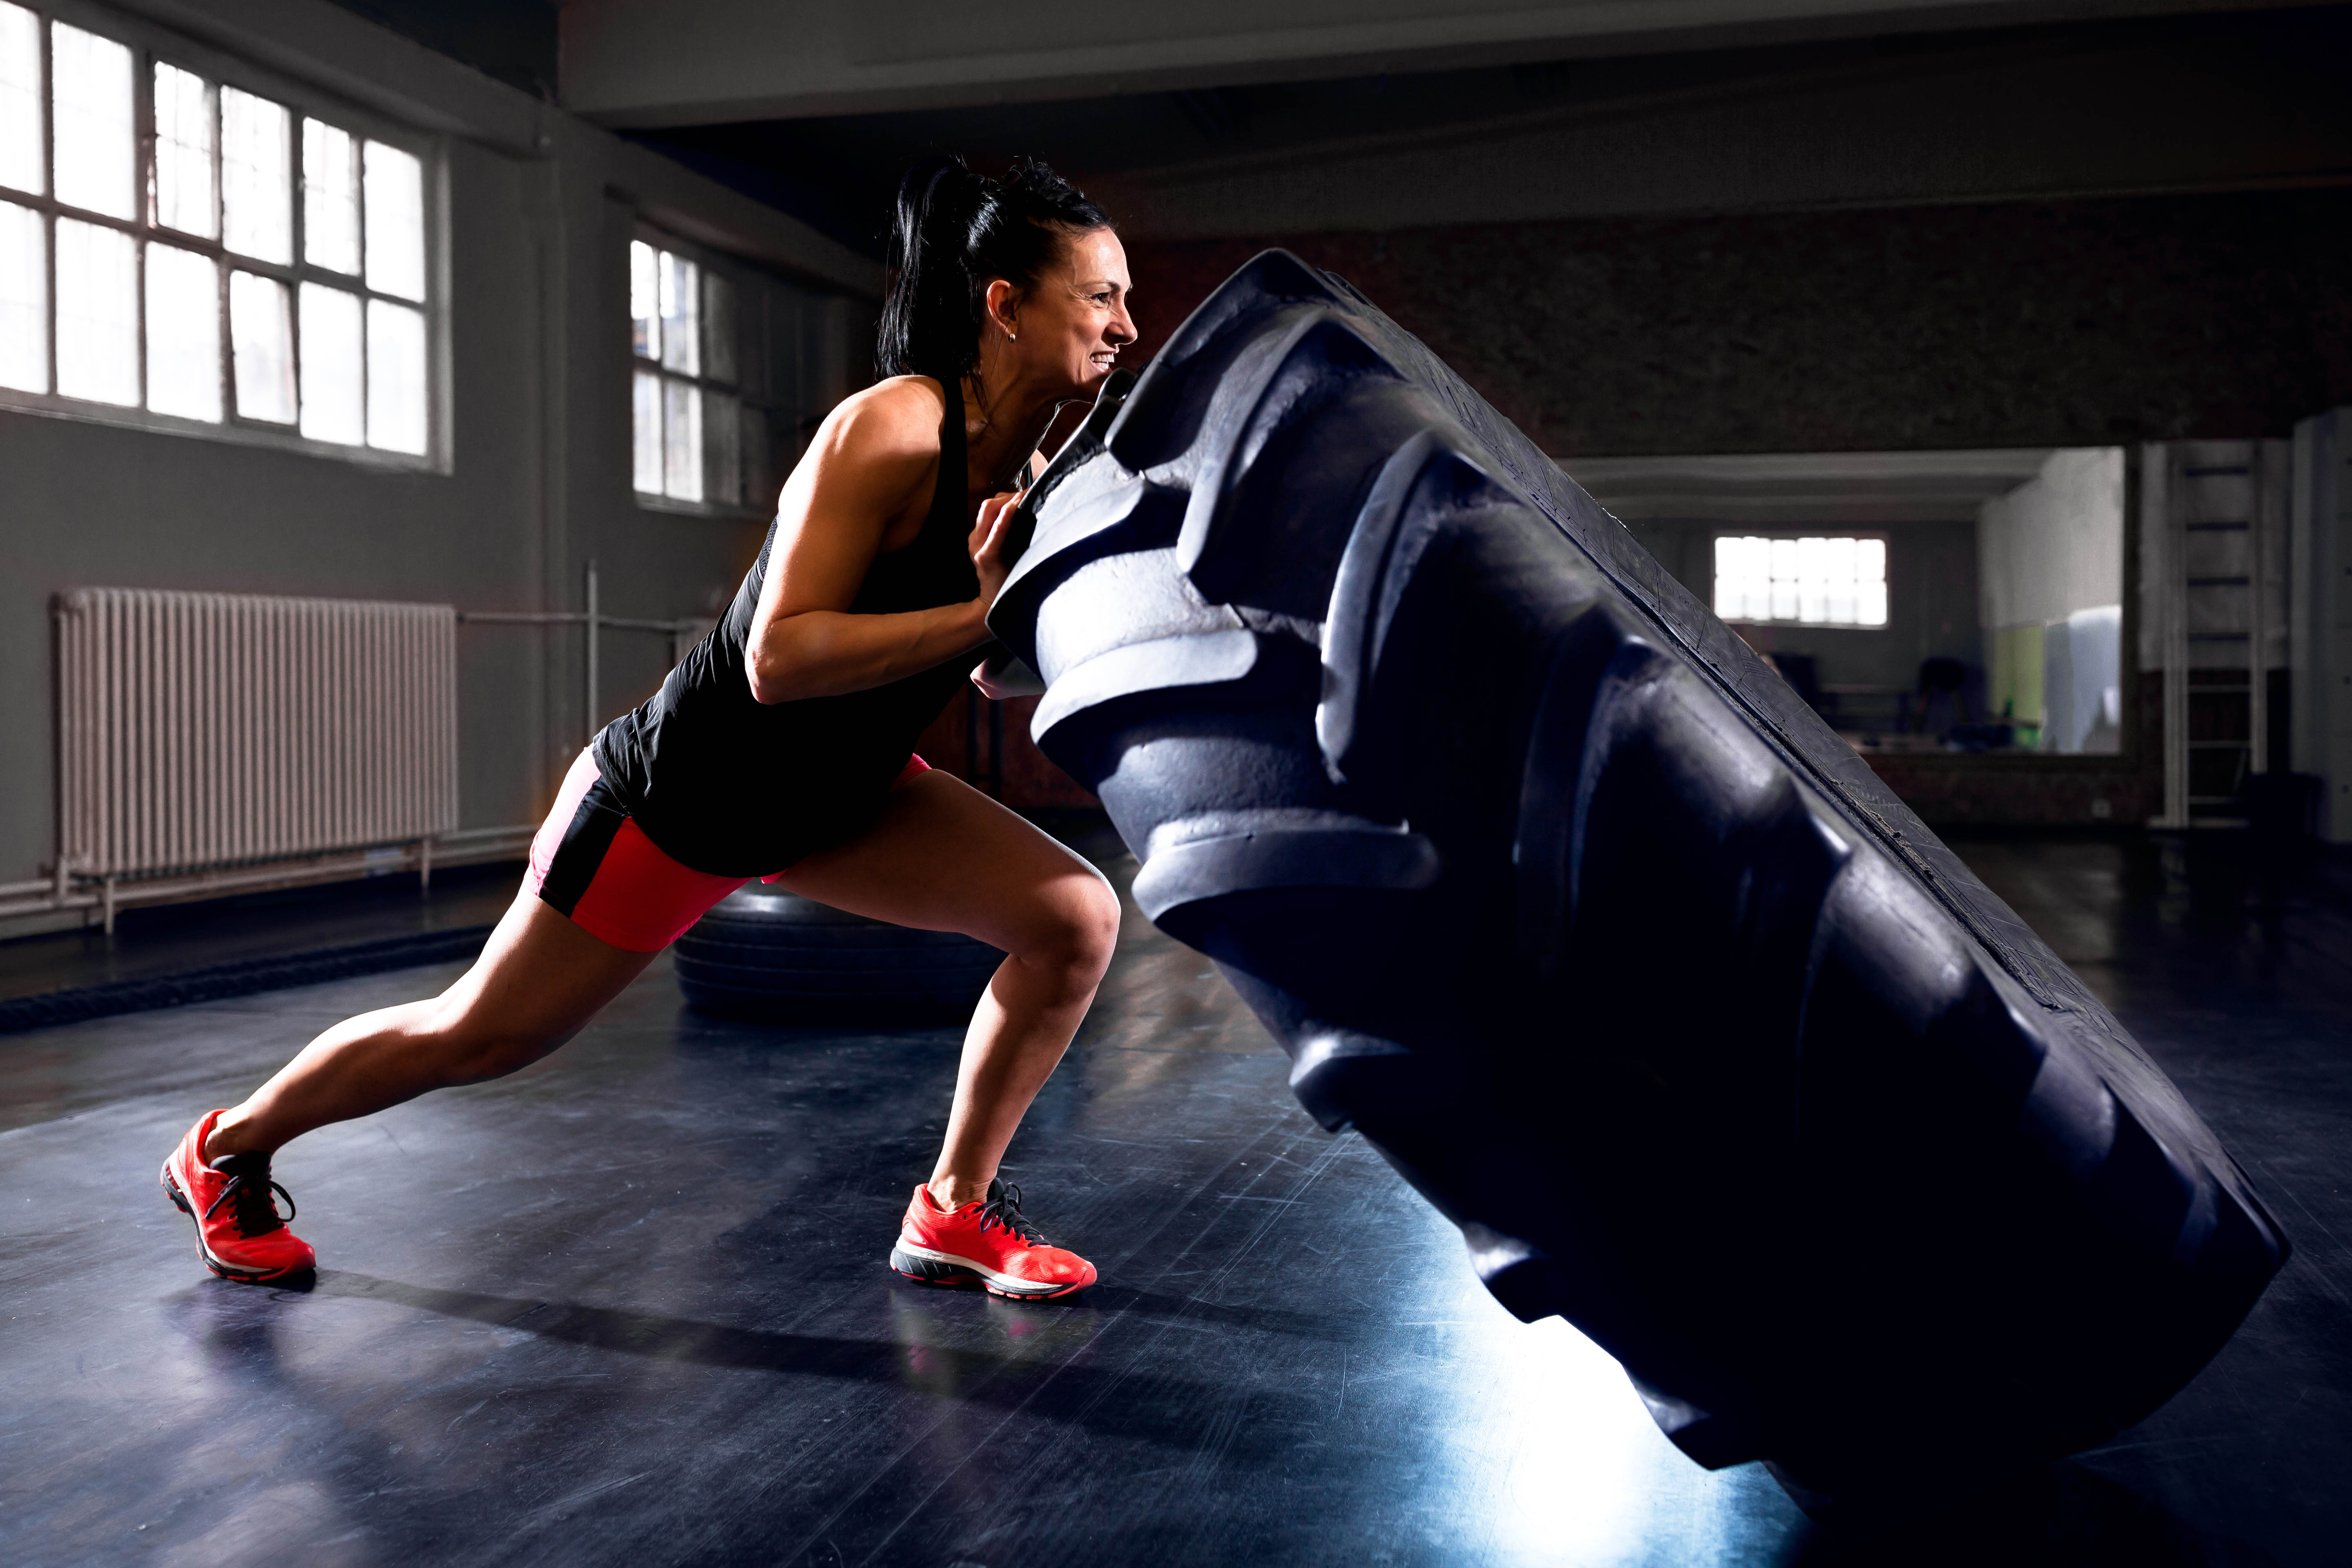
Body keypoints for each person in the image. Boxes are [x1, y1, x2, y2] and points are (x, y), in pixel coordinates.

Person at [160, 155, 1136, 1301]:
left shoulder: (1020, 469)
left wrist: (1033, 623)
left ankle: (953, 1211)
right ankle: (227, 1150)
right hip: (679, 802)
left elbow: (980, 676)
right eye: (1100, 294)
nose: (1127, 323)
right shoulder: (893, 429)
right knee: (480, 1034)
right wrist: (978, 612)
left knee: (1072, 917)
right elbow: (779, 660)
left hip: (844, 797)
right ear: (1006, 306)